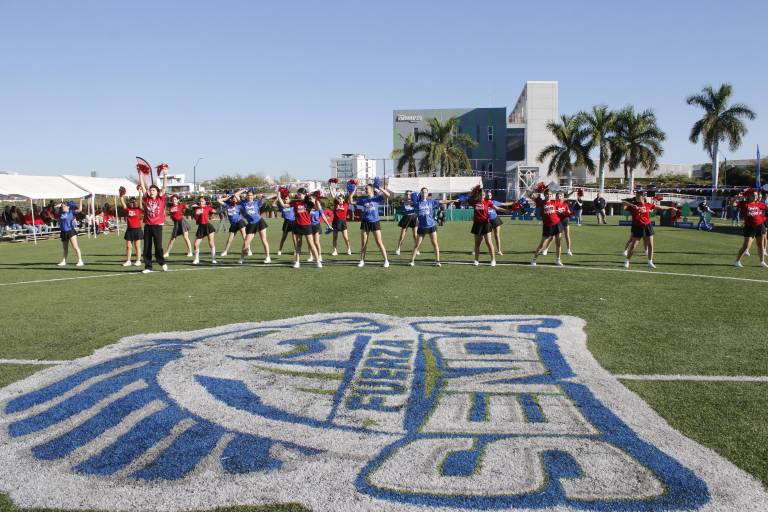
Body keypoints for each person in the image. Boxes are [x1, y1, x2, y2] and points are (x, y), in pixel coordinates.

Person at [621, 190, 678, 269]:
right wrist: (633, 205)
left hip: (647, 226)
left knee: (650, 245)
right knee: (633, 245)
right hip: (637, 227)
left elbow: (660, 207)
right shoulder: (633, 205)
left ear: (643, 197)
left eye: (639, 195)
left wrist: (671, 207)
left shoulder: (648, 204)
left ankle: (650, 261)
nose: (637, 197)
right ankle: (627, 261)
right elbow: (623, 202)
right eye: (637, 195)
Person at [276, 188, 322, 268]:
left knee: (311, 244)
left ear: (304, 194)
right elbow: (284, 205)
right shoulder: (295, 202)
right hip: (298, 225)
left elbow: (318, 208)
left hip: (307, 225)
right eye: (298, 194)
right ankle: (297, 262)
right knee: (298, 244)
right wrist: (279, 196)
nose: (298, 195)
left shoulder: (308, 202)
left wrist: (316, 199)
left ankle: (317, 261)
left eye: (299, 194)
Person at [408, 188, 455, 267]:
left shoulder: (431, 202)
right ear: (421, 193)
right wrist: (410, 196)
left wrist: (451, 201)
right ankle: (412, 261)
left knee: (435, 244)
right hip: (422, 226)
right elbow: (409, 202)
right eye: (422, 192)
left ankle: (437, 261)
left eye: (425, 192)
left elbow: (442, 201)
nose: (424, 193)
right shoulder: (417, 203)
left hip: (431, 226)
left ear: (427, 193)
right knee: (417, 245)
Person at [349, 179, 391, 268]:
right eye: (365, 189)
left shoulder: (377, 198)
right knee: (363, 242)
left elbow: (388, 195)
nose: (365, 190)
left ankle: (386, 260)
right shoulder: (363, 199)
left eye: (367, 189)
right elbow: (351, 201)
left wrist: (379, 187)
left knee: (379, 242)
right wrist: (354, 189)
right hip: (365, 222)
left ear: (371, 190)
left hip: (375, 222)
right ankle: (361, 260)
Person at [138, 163, 169, 273]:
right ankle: (148, 266)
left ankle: (162, 262)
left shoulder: (160, 198)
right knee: (146, 247)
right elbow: (143, 186)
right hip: (148, 226)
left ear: (157, 191)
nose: (151, 192)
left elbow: (164, 187)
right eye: (150, 190)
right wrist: (140, 174)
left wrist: (165, 175)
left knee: (158, 246)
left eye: (153, 190)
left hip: (157, 226)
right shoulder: (147, 199)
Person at [528, 187, 563, 267]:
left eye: (550, 194)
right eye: (547, 194)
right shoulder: (541, 202)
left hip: (557, 224)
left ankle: (558, 260)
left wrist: (560, 210)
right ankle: (534, 259)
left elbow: (561, 204)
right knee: (542, 245)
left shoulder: (555, 202)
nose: (549, 195)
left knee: (558, 243)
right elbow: (529, 194)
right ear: (544, 195)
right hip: (547, 226)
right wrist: (535, 190)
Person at [734, 189, 767, 268]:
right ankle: (737, 261)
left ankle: (762, 261)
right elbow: (733, 204)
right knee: (745, 246)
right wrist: (736, 198)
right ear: (748, 196)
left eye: (756, 195)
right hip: (749, 227)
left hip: (760, 225)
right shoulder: (743, 204)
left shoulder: (759, 204)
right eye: (753, 195)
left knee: (760, 245)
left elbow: (766, 207)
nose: (755, 197)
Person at [239, 189, 272, 264]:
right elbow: (236, 195)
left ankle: (268, 257)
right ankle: (242, 258)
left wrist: (277, 194)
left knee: (264, 240)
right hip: (251, 224)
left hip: (260, 221)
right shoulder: (243, 203)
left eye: (250, 195)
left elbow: (266, 197)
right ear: (246, 196)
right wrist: (242, 190)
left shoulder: (257, 202)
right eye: (248, 195)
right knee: (246, 242)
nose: (249, 196)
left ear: (253, 196)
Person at [467, 185, 496, 266]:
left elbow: (496, 207)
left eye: (484, 194)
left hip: (486, 224)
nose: (483, 195)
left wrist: (507, 210)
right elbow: (468, 199)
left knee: (488, 242)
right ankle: (476, 260)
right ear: (478, 194)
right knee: (477, 244)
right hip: (477, 224)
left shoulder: (487, 202)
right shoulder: (474, 202)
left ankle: (493, 260)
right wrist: (473, 191)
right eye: (481, 194)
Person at [55, 199, 84, 266]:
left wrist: (81, 200)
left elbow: (80, 209)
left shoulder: (71, 212)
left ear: (68, 206)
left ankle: (80, 260)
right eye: (62, 206)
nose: (63, 207)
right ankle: (64, 261)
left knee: (75, 246)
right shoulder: (60, 212)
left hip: (70, 231)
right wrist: (59, 205)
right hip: (63, 231)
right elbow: (55, 208)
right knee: (65, 248)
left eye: (64, 206)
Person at [219, 190, 247, 257]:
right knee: (229, 239)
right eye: (232, 198)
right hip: (233, 224)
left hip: (240, 222)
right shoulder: (227, 205)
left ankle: (248, 250)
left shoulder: (239, 205)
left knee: (244, 237)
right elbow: (219, 200)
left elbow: (236, 195)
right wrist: (228, 197)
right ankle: (225, 251)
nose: (233, 199)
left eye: (235, 198)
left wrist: (243, 190)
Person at [307, 191, 332, 263]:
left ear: (315, 198)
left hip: (316, 225)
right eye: (309, 198)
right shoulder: (308, 206)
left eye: (311, 198)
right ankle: (311, 256)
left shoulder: (318, 206)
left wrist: (328, 225)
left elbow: (323, 216)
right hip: (309, 225)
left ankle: (319, 255)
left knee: (316, 241)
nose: (309, 199)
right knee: (310, 242)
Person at [119, 192, 143, 267]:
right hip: (129, 230)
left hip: (137, 229)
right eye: (131, 202)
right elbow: (122, 203)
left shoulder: (138, 209)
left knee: (137, 245)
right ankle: (128, 261)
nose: (132, 203)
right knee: (128, 246)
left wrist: (139, 193)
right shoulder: (127, 209)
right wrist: (121, 196)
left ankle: (138, 260)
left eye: (134, 202)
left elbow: (140, 201)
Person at [191, 196, 217, 265]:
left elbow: (215, 211)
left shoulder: (207, 207)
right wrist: (195, 202)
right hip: (200, 227)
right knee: (196, 244)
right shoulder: (196, 208)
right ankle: (196, 259)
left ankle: (213, 258)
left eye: (202, 201)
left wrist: (223, 209)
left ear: (205, 202)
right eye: (199, 201)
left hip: (208, 226)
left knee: (211, 243)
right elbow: (190, 205)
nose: (201, 202)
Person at [328, 187, 352, 256]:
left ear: (343, 199)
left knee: (345, 237)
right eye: (338, 198)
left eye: (341, 198)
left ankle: (349, 249)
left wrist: (352, 189)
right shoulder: (336, 203)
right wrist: (330, 187)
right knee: (335, 238)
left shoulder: (346, 204)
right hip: (335, 222)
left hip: (343, 222)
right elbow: (333, 195)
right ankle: (335, 251)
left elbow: (350, 196)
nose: (339, 200)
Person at [395, 191, 417, 256]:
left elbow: (417, 209)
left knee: (415, 235)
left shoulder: (415, 201)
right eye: (406, 194)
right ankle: (398, 249)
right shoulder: (403, 202)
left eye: (409, 195)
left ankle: (417, 249)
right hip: (406, 218)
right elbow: (403, 211)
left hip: (414, 217)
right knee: (402, 235)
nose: (408, 196)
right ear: (405, 195)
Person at [274, 190, 295, 256]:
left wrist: (279, 197)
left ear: (290, 199)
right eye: (285, 199)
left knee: (294, 237)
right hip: (286, 222)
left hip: (293, 222)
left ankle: (295, 250)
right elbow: (273, 205)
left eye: (287, 199)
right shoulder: (282, 206)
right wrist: (278, 198)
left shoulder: (292, 205)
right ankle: (280, 250)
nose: (285, 200)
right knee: (283, 237)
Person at [555, 191, 574, 256]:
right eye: (557, 196)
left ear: (563, 197)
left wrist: (570, 214)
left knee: (567, 235)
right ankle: (557, 250)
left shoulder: (565, 204)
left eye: (560, 196)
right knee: (558, 237)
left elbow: (568, 212)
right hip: (558, 221)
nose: (559, 197)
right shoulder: (554, 204)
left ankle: (568, 250)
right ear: (556, 197)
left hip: (565, 220)